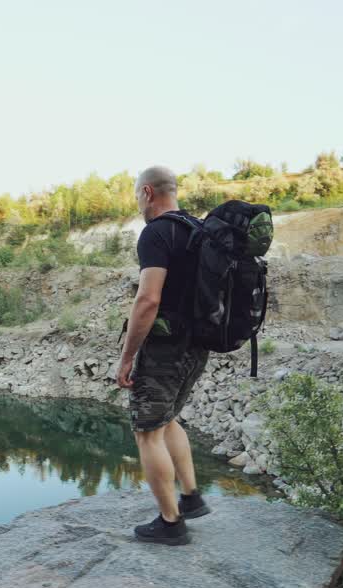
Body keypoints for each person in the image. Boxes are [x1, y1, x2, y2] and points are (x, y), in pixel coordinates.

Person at [115, 165, 211, 546]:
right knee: (169, 419)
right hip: (197, 345)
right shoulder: (198, 229)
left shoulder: (156, 233)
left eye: (137, 194)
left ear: (148, 193)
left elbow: (148, 299)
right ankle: (191, 497)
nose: (137, 201)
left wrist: (126, 358)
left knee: (147, 432)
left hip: (166, 348)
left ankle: (171, 524)